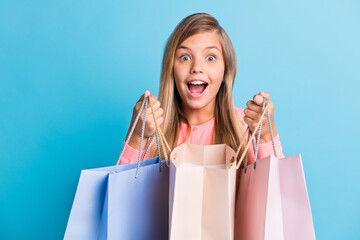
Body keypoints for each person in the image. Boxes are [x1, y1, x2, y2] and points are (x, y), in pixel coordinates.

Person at [118, 13, 284, 166]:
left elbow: (279, 193)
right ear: (171, 70)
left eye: (210, 58)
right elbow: (121, 195)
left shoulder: (246, 126)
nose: (196, 67)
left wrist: (266, 136)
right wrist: (136, 136)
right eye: (185, 57)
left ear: (226, 71)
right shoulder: (152, 132)